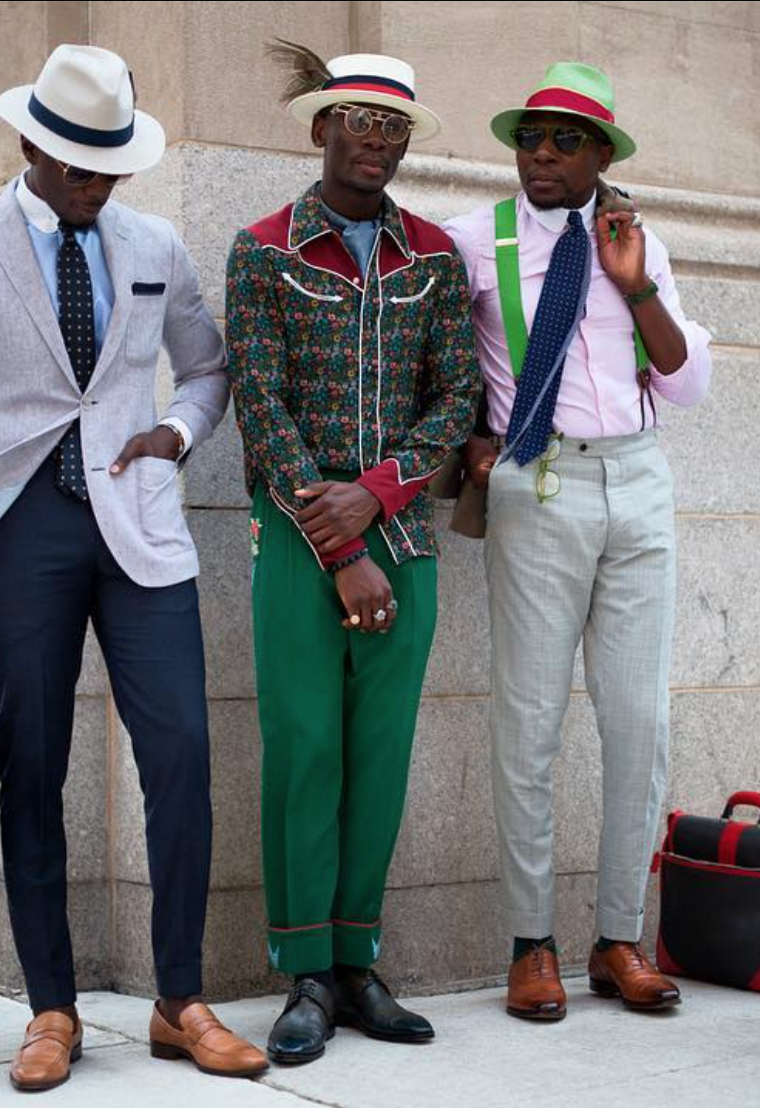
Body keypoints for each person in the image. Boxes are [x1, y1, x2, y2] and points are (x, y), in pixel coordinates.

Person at [0, 44, 266, 1091]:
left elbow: (205, 365)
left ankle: (179, 999)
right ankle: (50, 1007)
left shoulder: (153, 241)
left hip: (141, 529)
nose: (94, 184)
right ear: (28, 143)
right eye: (75, 166)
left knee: (184, 752)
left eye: (108, 166)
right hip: (22, 532)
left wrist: (177, 431)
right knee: (34, 761)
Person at [442, 61, 713, 1022]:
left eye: (563, 141)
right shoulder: (478, 240)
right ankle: (531, 945)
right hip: (539, 480)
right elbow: (437, 352)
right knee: (530, 724)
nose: (541, 155)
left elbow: (684, 382)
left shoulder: (636, 241)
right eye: (528, 138)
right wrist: (472, 435)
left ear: (602, 155)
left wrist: (635, 285)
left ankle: (616, 940)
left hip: (639, 478)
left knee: (639, 723)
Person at [225, 44, 479, 1065]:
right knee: (303, 751)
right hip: (295, 539)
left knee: (377, 757)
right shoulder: (261, 251)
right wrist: (335, 537)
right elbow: (260, 403)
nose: (376, 140)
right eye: (358, 121)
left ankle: (359, 958)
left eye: (394, 126)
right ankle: (303, 975)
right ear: (318, 126)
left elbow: (455, 397)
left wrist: (376, 496)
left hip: (405, 537)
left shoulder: (431, 257)